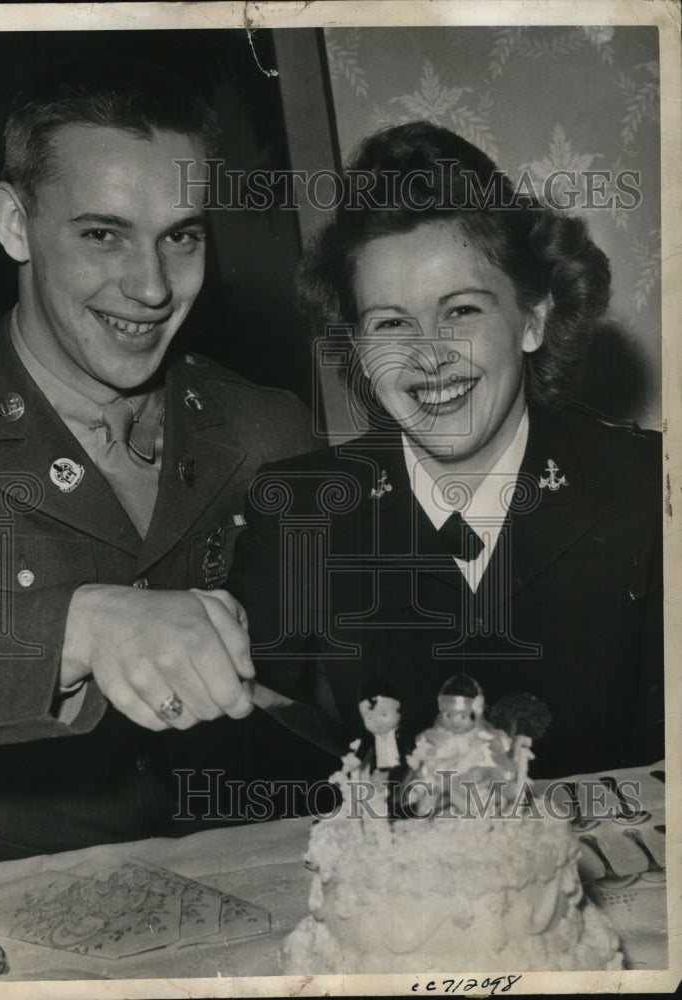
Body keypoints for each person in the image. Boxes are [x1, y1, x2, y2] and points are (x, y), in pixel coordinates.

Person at [0, 56, 330, 870]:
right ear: (14, 224)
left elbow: (340, 675)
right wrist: (80, 627)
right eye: (102, 234)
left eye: (180, 237)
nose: (149, 287)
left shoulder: (264, 429)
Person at [229, 121, 663, 779]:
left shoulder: (648, 489)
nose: (427, 357)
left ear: (533, 317)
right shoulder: (295, 512)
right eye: (391, 323)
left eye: (460, 311)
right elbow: (265, 767)